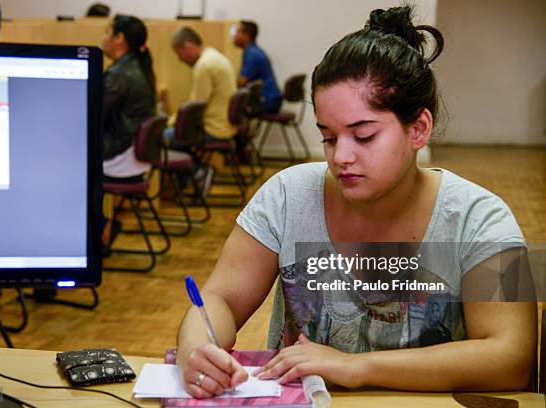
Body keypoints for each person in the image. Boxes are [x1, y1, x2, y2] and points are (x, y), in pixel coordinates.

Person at [175, 6, 535, 398]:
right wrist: (196, 347)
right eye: (328, 137)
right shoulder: (286, 195)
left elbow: (511, 358)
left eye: (362, 136)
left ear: (418, 129)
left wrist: (355, 366)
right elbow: (220, 298)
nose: (340, 156)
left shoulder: (481, 219)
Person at [100, 14, 156, 249]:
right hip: (136, 156)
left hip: (120, 158)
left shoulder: (120, 75)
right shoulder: (137, 68)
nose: (102, 39)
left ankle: (96, 233)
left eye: (106, 33)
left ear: (119, 38)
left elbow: (93, 114)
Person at [165, 26, 238, 196]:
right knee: (174, 135)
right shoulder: (214, 57)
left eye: (179, 53)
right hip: (224, 125)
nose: (179, 59)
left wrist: (168, 122)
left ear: (188, 46)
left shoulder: (204, 65)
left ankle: (195, 173)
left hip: (213, 129)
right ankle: (192, 177)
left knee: (162, 138)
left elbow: (194, 108)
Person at [233, 20, 282, 114]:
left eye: (237, 32)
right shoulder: (254, 50)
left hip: (267, 101)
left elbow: (241, 82)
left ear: (246, 35)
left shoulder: (252, 54)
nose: (234, 36)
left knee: (231, 107)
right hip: (272, 99)